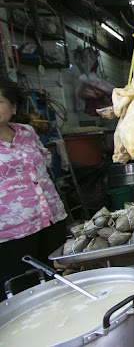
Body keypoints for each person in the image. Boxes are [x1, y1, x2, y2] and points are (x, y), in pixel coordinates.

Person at [0, 78, 67, 299]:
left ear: (14, 107)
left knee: (62, 282)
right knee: (25, 294)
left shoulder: (26, 132)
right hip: (11, 233)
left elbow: (44, 160)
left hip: (51, 219)